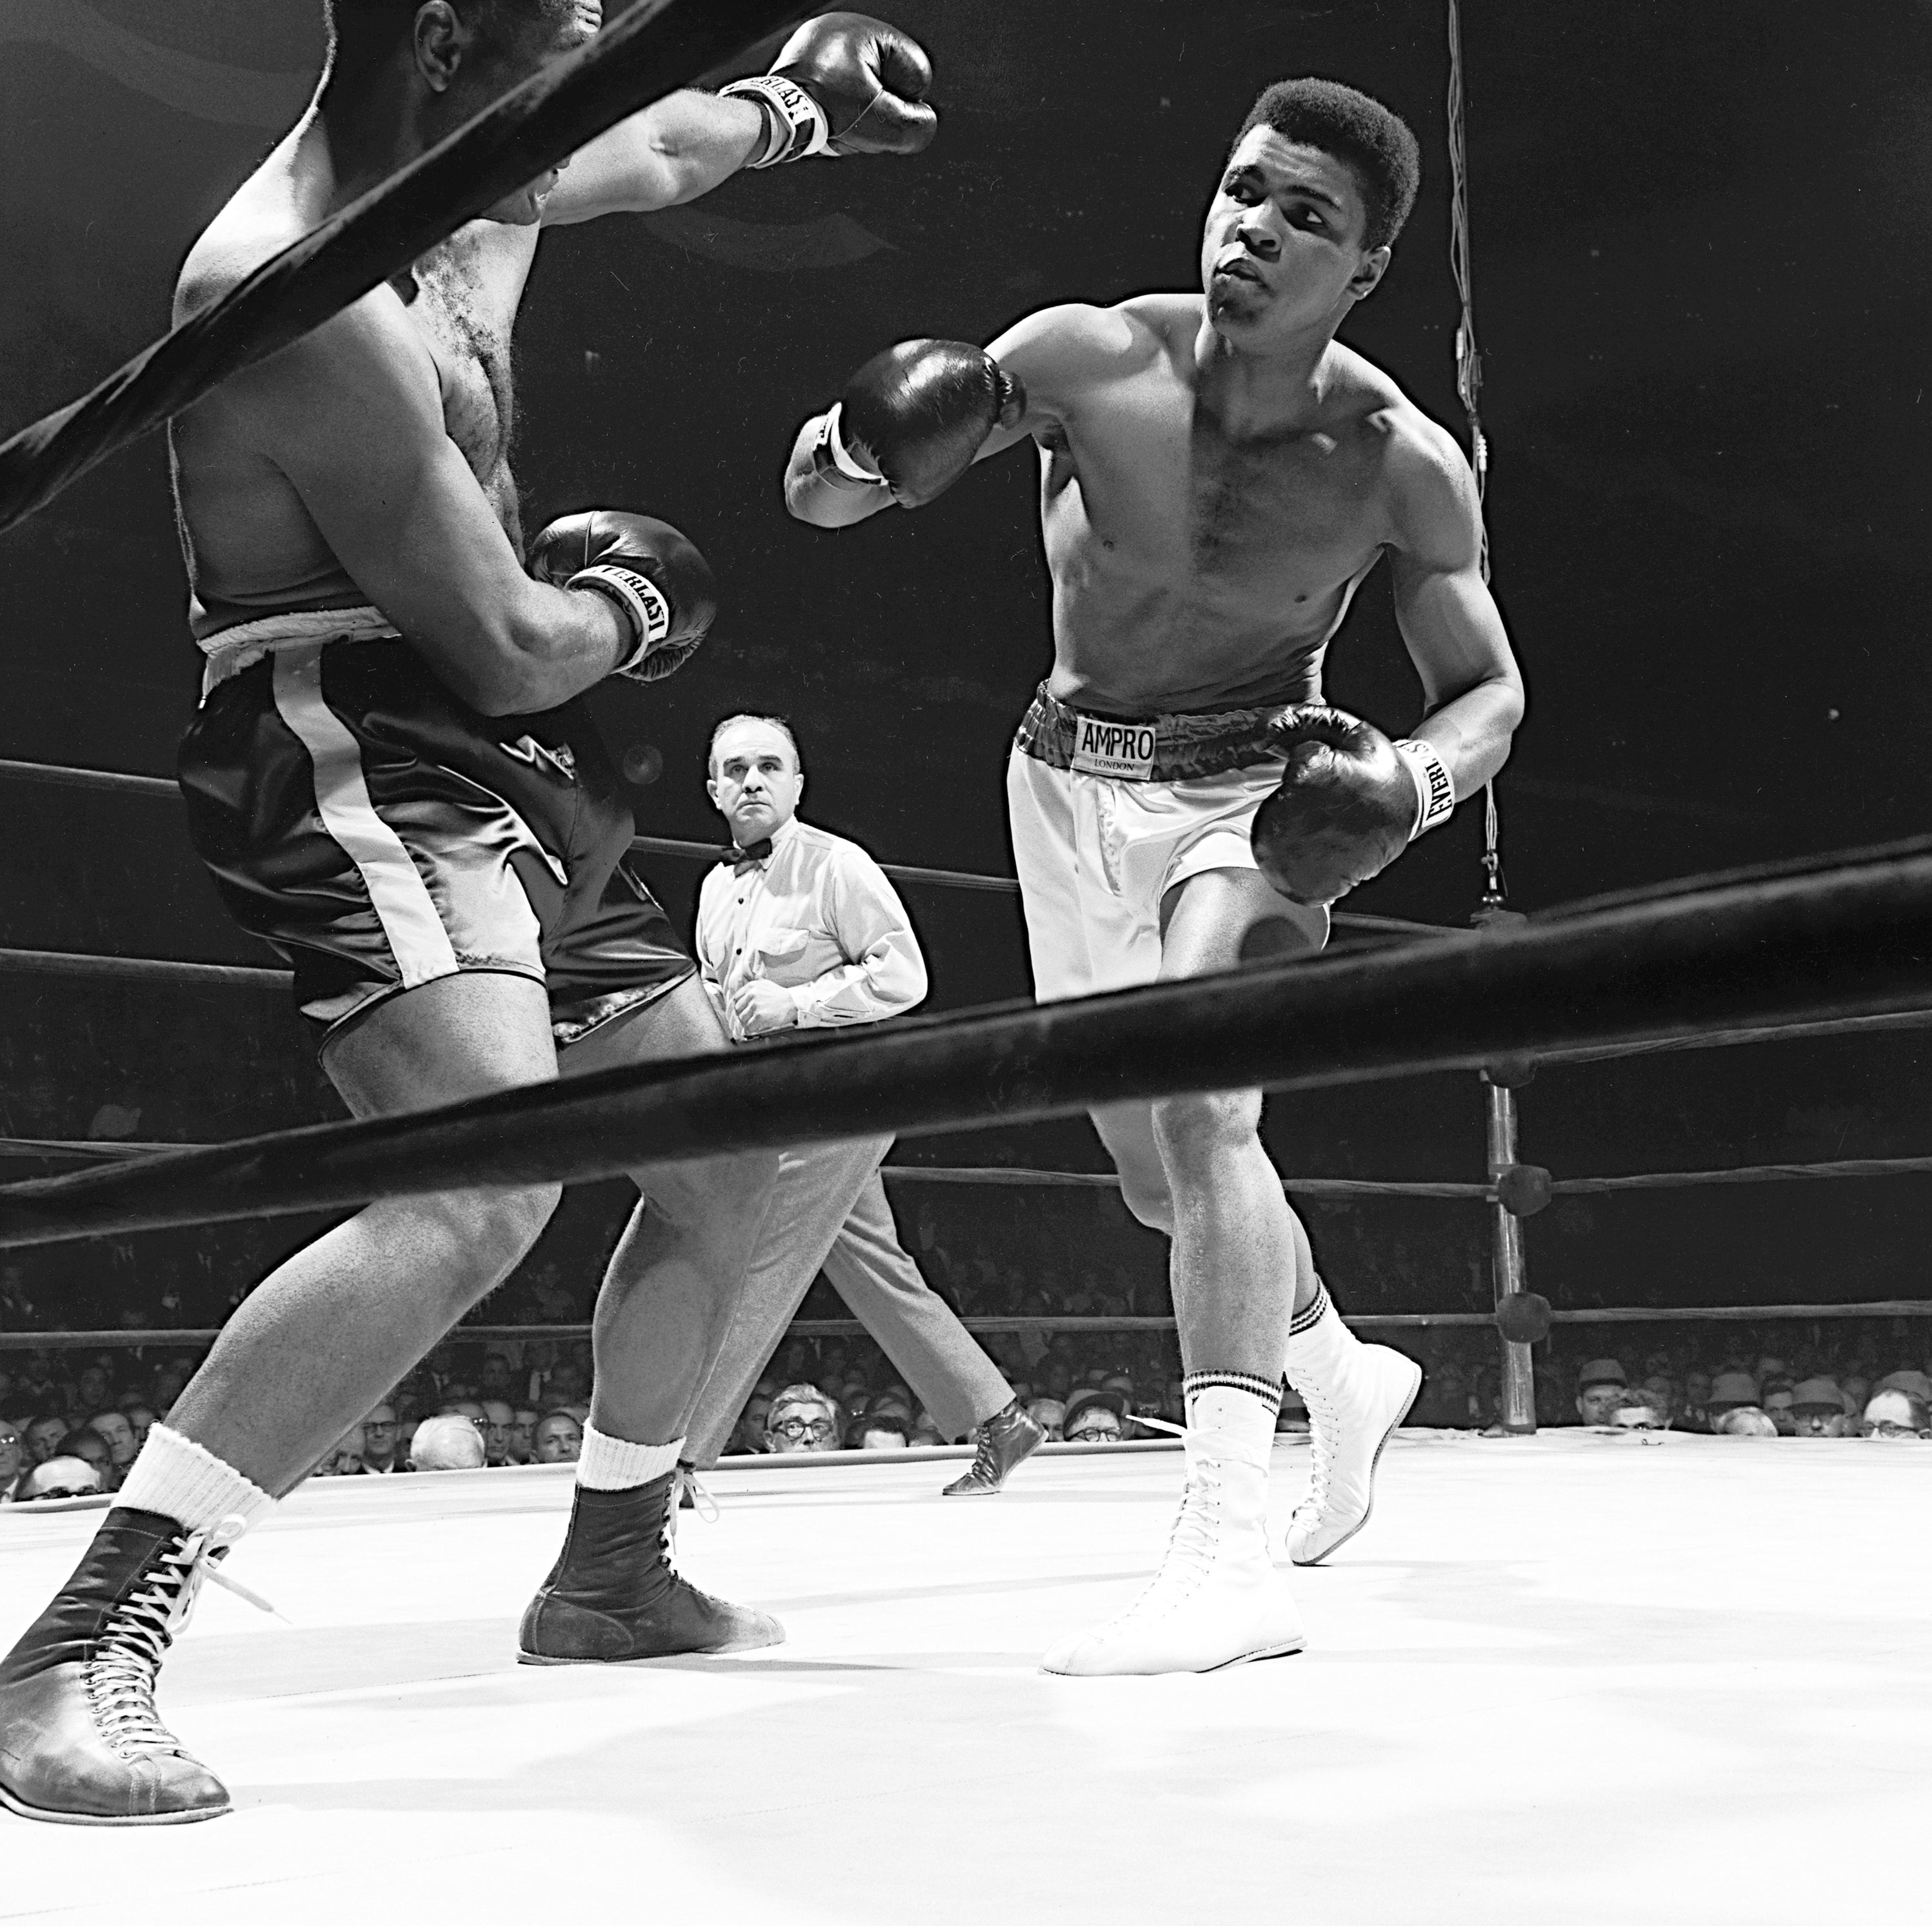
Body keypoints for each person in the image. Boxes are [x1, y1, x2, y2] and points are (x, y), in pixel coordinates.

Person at [0, 2, 937, 1826]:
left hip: (517, 758)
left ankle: (609, 1567)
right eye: (574, 21)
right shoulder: (290, 282)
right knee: (480, 1183)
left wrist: (791, 113)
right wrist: (646, 616)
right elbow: (500, 631)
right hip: (362, 729)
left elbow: (654, 149)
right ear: (440, 37)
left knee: (727, 1154)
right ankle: (76, 1646)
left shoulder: (489, 158)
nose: (598, 51)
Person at [786, 78, 1523, 1673]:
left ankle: (1225, 1547)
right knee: (1147, 1174)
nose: (1252, 227)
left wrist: (1407, 778)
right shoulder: (1080, 355)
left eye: (1304, 217)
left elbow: (1489, 695)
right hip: (1060, 786)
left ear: (1363, 268)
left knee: (1202, 1111)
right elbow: (819, 496)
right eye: (1243, 191)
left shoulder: (1396, 457)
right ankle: (1332, 1371)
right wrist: (856, 443)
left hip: (1254, 790)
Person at [679, 715, 1045, 1496]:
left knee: (761, 1259)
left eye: (769, 767)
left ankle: (676, 1460)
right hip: (762, 1093)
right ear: (713, 790)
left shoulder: (836, 865)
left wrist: (798, 1003)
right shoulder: (716, 886)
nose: (752, 781)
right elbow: (719, 996)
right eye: (735, 769)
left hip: (837, 1085)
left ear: (796, 785)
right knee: (873, 1262)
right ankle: (997, 1417)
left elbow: (903, 975)